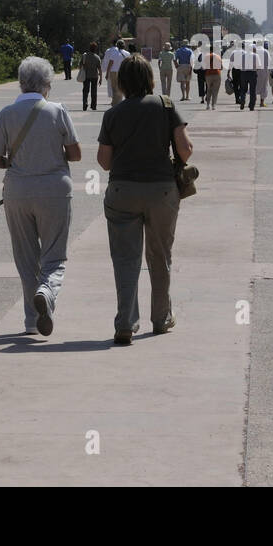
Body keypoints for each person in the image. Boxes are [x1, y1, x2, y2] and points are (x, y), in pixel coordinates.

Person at [97, 55, 193, 345]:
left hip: (122, 191)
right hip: (162, 191)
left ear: (123, 82)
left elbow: (103, 162)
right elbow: (185, 150)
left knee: (126, 259)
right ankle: (161, 319)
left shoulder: (113, 114)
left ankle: (125, 323)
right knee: (160, 256)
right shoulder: (165, 105)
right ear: (151, 78)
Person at [0, 57, 81, 337]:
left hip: (17, 192)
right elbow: (75, 154)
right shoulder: (58, 111)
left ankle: (31, 321)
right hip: (54, 189)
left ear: (20, 83)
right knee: (54, 256)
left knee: (26, 259)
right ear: (47, 85)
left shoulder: (4, 114)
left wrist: (14, 165)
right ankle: (47, 292)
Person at [78, 41, 102, 111]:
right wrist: (101, 79)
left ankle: (85, 103)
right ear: (95, 49)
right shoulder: (97, 57)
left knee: (85, 90)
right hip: (94, 76)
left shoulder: (84, 56)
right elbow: (99, 69)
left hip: (86, 76)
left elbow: (80, 66)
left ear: (89, 48)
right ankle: (93, 105)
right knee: (94, 91)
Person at [102, 38, 126, 106]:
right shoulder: (127, 53)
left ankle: (114, 101)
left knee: (113, 88)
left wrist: (106, 71)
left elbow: (109, 62)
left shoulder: (112, 52)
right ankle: (119, 102)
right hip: (122, 72)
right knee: (121, 87)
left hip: (113, 72)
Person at [203, 42, 223, 109]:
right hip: (217, 74)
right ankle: (213, 105)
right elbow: (221, 67)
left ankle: (207, 105)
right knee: (215, 90)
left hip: (208, 74)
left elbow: (204, 67)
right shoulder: (218, 57)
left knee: (209, 90)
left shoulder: (206, 56)